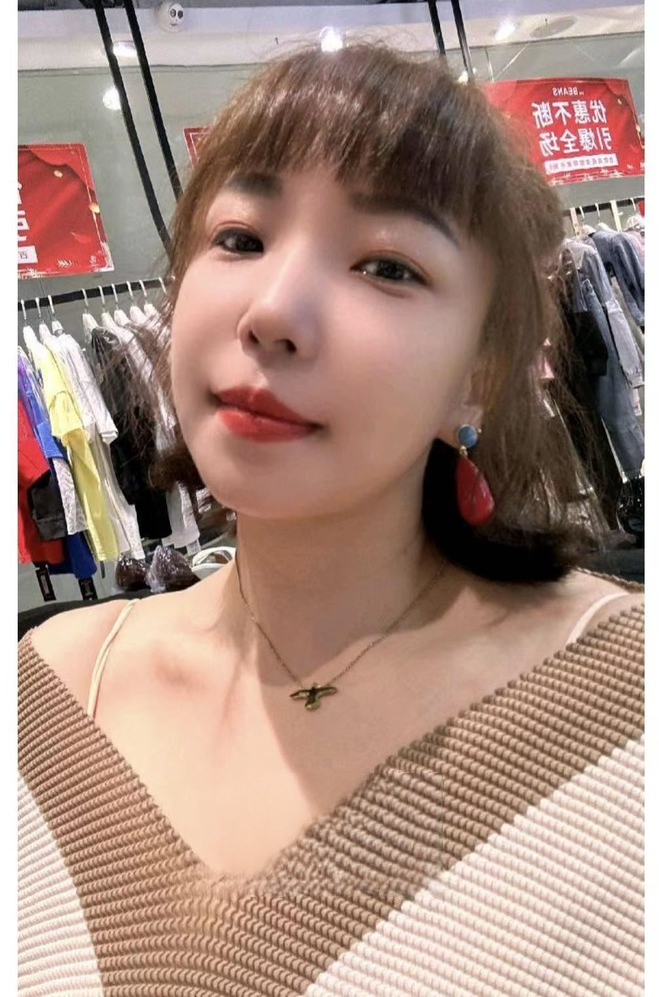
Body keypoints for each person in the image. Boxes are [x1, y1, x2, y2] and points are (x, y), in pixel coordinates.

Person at [19, 42, 643, 995]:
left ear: (478, 373)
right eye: (239, 239)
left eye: (387, 265)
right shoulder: (49, 698)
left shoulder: (622, 710)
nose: (272, 311)